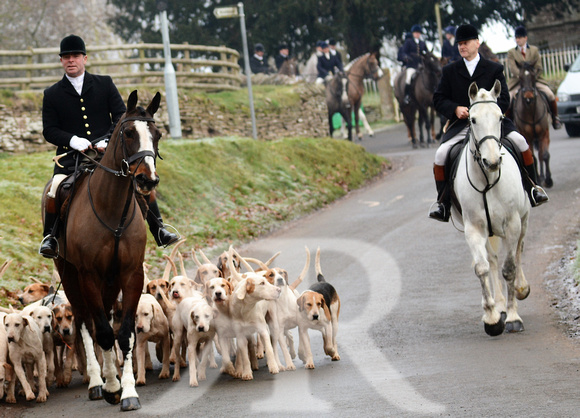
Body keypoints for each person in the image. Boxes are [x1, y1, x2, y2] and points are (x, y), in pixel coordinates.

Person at [39, 34, 179, 258]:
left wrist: (106, 139)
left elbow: (121, 116)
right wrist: (74, 140)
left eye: (75, 56)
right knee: (55, 188)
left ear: (85, 58)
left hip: (108, 153)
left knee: (141, 180)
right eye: (66, 57)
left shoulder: (104, 83)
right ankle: (51, 238)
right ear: (61, 61)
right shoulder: (52, 94)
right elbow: (50, 130)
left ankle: (159, 229)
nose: (71, 60)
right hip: (71, 157)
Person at [429, 24, 548, 222]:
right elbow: (438, 98)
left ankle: (533, 188)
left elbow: (504, 100)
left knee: (521, 143)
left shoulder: (494, 68)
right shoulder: (450, 71)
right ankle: (443, 203)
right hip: (462, 124)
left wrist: (491, 112)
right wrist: (455, 109)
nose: (461, 47)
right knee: (441, 154)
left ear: (477, 43)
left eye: (465, 43)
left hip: (492, 124)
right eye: (459, 43)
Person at [507, 25, 562, 129]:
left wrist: (531, 77)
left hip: (534, 80)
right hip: (519, 81)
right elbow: (513, 69)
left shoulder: (534, 50)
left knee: (550, 94)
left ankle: (555, 118)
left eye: (519, 37)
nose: (517, 40)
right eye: (516, 38)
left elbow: (539, 67)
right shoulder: (512, 52)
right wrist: (523, 76)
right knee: (508, 99)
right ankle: (509, 125)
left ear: (525, 38)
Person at [401, 24, 428, 104]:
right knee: (409, 78)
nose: (417, 34)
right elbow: (404, 53)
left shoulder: (422, 43)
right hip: (412, 65)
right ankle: (407, 96)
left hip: (421, 65)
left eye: (418, 33)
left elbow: (426, 53)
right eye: (415, 33)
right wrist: (407, 57)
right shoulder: (409, 42)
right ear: (413, 33)